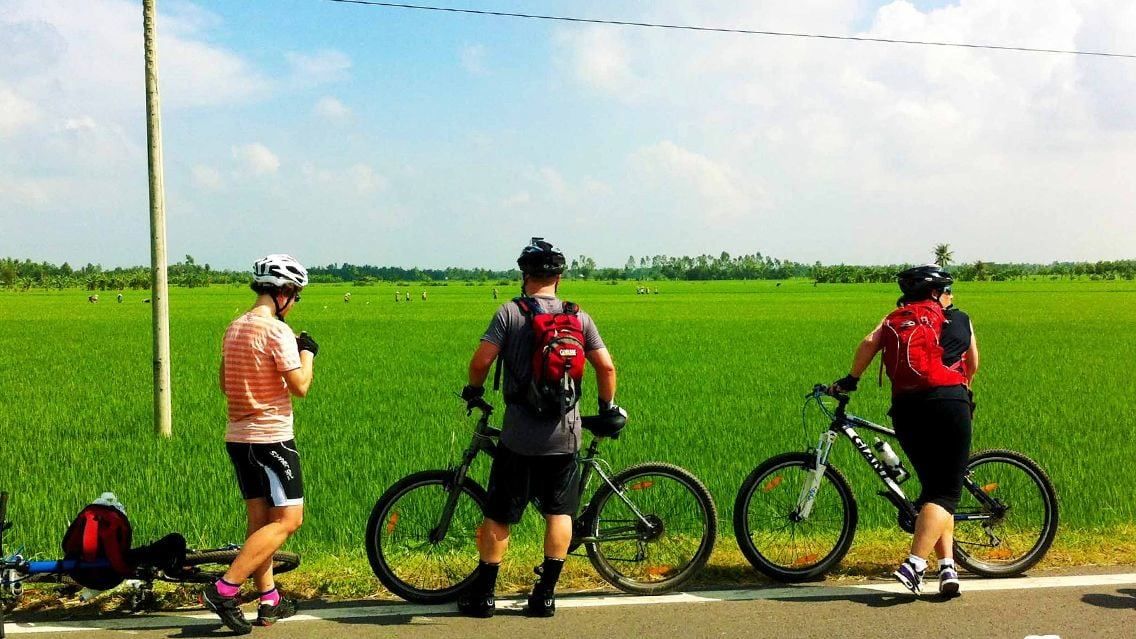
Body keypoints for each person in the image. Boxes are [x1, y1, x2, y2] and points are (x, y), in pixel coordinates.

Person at [457, 238, 624, 618]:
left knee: (500, 514)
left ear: (525, 275)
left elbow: (482, 360)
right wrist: (605, 407)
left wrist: (474, 390)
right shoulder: (578, 316)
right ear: (559, 277)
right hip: (566, 434)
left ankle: (484, 598)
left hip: (519, 436)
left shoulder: (510, 313)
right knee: (558, 512)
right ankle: (545, 596)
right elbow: (607, 367)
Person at [830, 265, 978, 598]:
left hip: (906, 408)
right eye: (948, 290)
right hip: (948, 403)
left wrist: (850, 381)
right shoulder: (959, 319)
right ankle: (914, 564)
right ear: (937, 293)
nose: (950, 296)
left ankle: (948, 569)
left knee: (933, 490)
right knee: (945, 493)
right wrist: (956, 390)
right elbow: (973, 364)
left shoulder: (895, 317)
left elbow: (869, 343)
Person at [204, 254, 318, 634]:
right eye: (296, 295)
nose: (295, 301)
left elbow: (224, 384)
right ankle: (224, 589)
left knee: (259, 523)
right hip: (271, 440)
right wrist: (308, 353)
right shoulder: (277, 332)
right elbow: (300, 386)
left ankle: (269, 599)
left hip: (238, 438)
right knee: (288, 521)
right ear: (283, 292)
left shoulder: (233, 328)